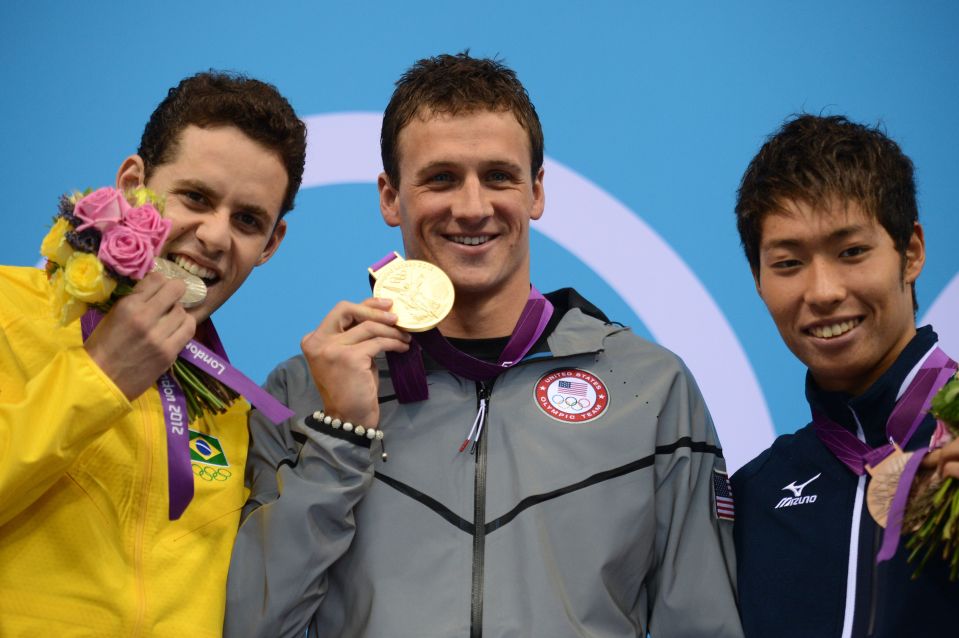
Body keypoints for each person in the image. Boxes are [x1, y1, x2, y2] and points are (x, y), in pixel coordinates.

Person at [225, 52, 742, 637]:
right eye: (441, 178)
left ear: (536, 192)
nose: (472, 207)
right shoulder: (301, 393)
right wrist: (340, 437)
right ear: (390, 196)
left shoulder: (650, 389)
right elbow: (252, 626)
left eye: (498, 176)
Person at [0, 71, 306, 636]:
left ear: (271, 245)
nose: (215, 236)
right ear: (132, 180)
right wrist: (98, 378)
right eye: (195, 197)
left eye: (247, 221)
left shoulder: (233, 409)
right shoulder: (7, 310)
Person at [731, 114, 959, 637]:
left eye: (852, 252)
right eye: (788, 263)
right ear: (759, 282)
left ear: (911, 252)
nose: (824, 291)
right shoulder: (755, 498)